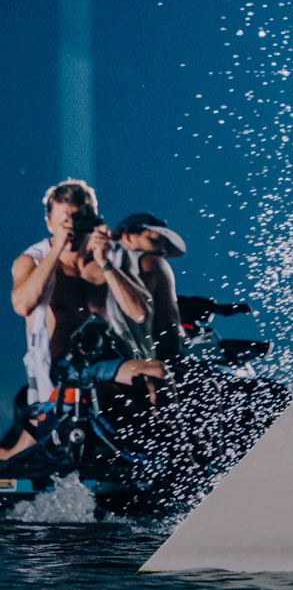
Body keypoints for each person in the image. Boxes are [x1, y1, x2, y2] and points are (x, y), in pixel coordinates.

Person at [2, 180, 165, 462]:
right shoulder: (33, 260)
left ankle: (167, 457)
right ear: (49, 222)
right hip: (56, 375)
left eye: (80, 219)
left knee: (157, 374)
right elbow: (23, 304)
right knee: (19, 455)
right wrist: (58, 249)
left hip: (107, 365)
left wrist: (105, 262)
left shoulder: (111, 256)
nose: (73, 228)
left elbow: (140, 313)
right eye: (66, 220)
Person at [108, 212, 187, 362]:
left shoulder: (88, 261)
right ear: (128, 236)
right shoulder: (152, 262)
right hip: (133, 362)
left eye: (166, 247)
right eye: (156, 241)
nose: (163, 251)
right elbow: (168, 327)